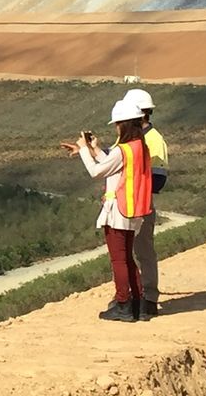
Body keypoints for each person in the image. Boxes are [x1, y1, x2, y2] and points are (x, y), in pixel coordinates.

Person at [64, 99, 153, 322]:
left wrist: (85, 150)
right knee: (128, 259)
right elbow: (115, 168)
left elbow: (97, 172)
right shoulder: (139, 148)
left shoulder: (123, 150)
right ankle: (138, 306)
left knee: (118, 260)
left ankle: (123, 305)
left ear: (123, 124)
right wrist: (94, 148)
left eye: (117, 124)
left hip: (118, 210)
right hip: (134, 209)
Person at [124, 88, 169, 318]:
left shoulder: (153, 139)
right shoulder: (129, 138)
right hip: (125, 205)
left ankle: (148, 298)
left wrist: (136, 184)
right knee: (124, 253)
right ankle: (130, 295)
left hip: (140, 204)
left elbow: (159, 178)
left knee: (143, 251)